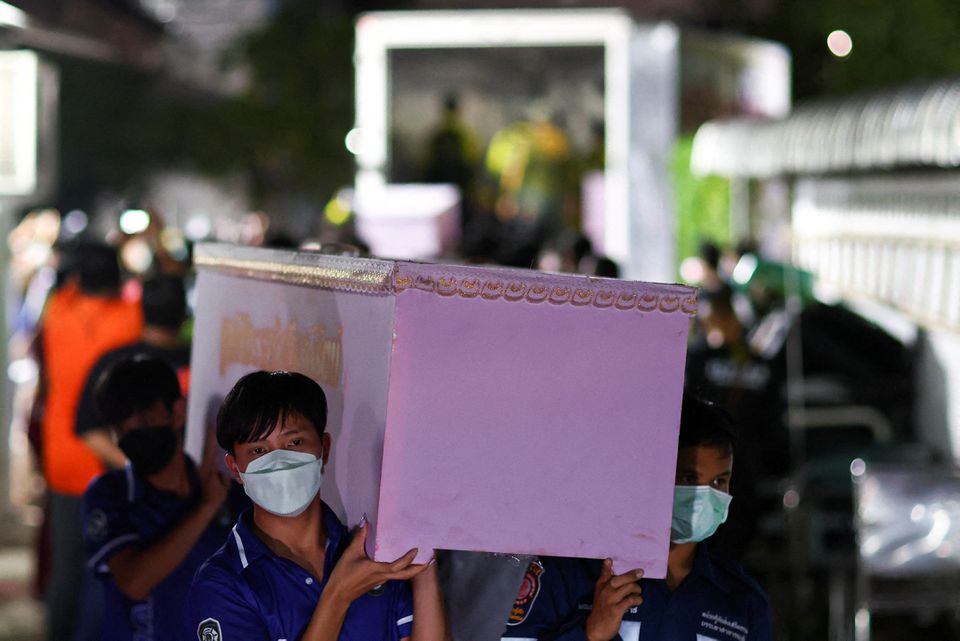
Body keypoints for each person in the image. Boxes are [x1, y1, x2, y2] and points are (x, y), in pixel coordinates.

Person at [185, 370, 450, 641]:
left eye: (294, 442)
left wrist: (424, 560)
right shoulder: (223, 584)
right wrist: (338, 595)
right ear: (235, 468)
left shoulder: (371, 551)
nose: (280, 461)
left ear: (323, 448)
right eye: (259, 451)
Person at [501, 394, 772, 641]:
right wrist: (590, 634)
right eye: (688, 477)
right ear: (652, 473)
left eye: (718, 481)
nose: (705, 495)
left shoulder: (742, 599)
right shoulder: (569, 572)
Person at [82, 355, 235, 641]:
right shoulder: (111, 493)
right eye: (122, 428)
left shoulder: (220, 490)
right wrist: (205, 508)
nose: (133, 433)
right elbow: (134, 582)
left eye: (144, 419)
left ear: (177, 413)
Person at [38, 240, 143, 641]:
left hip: (61, 457)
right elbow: (139, 292)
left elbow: (66, 287)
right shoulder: (129, 319)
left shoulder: (57, 312)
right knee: (105, 566)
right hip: (110, 459)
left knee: (66, 564)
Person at [76, 273, 192, 470]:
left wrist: (132, 466)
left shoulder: (113, 362)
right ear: (185, 313)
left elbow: (88, 427)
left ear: (141, 310)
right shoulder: (203, 362)